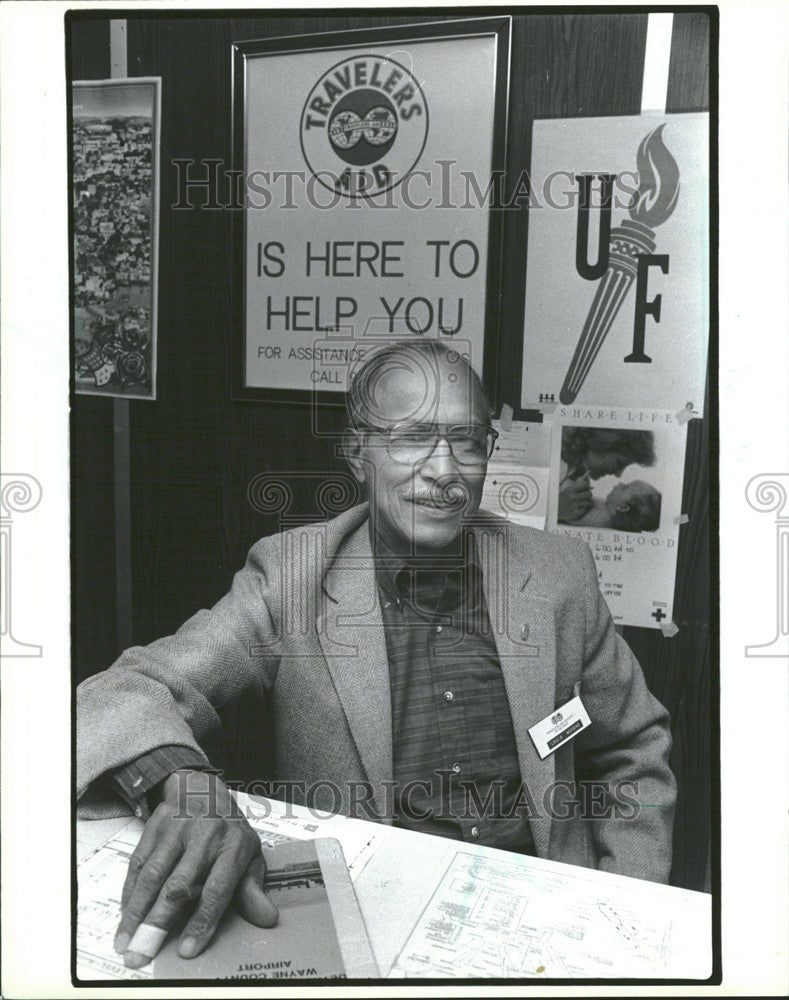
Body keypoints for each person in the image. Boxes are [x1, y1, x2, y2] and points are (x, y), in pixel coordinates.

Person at [77, 340, 676, 969]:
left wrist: (626, 910)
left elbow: (633, 747)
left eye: (468, 441)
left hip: (541, 921)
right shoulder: (292, 577)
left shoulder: (557, 574)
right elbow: (128, 689)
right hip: (371, 915)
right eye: (412, 438)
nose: (445, 470)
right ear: (357, 453)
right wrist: (187, 783)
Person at [557, 427, 657, 524]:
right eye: (620, 463)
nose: (618, 475)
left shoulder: (581, 481)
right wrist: (558, 508)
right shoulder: (557, 458)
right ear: (602, 444)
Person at [561, 480, 662, 532]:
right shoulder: (605, 509)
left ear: (623, 507)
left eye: (624, 487)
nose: (620, 483)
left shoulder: (601, 519)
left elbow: (569, 516)